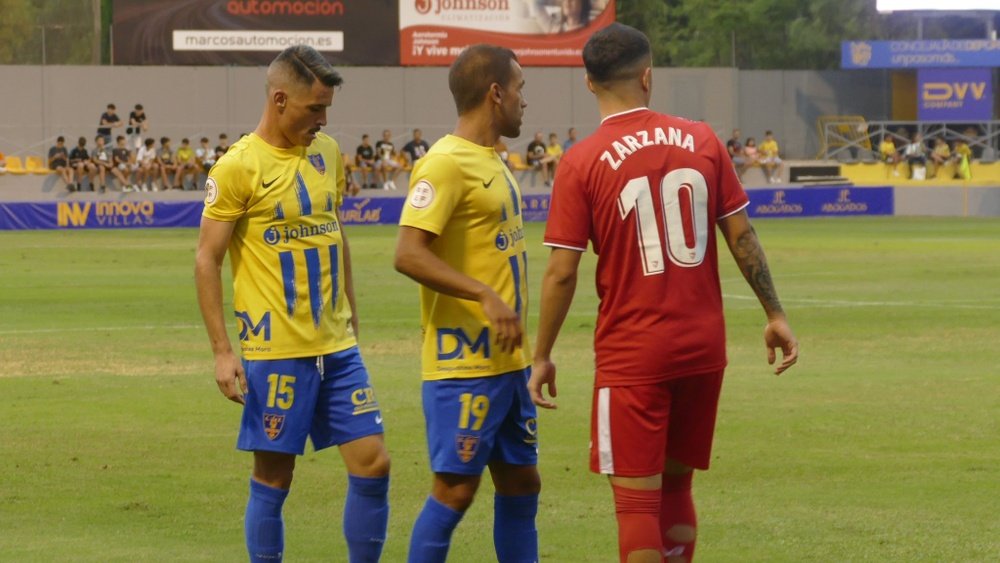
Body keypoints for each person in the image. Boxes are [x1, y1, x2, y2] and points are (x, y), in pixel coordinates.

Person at [527, 23, 799, 563]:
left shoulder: (580, 161)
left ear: (589, 84)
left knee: (635, 507)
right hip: (703, 349)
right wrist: (774, 313)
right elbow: (741, 234)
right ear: (648, 76)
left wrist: (542, 355)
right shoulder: (701, 139)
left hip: (635, 353)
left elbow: (562, 272)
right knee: (677, 491)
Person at [194, 44, 390, 563]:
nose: (323, 119)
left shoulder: (326, 152)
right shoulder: (238, 167)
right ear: (280, 99)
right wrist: (222, 351)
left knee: (374, 463)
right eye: (314, 108)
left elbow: (335, 230)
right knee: (275, 476)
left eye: (327, 108)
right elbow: (206, 259)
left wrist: (351, 306)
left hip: (339, 346)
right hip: (276, 351)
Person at [394, 44, 539, 563]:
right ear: (495, 93)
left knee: (523, 482)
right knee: (455, 489)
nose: (526, 100)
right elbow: (408, 253)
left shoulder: (492, 159)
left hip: (506, 363)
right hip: (464, 366)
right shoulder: (445, 163)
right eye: (520, 88)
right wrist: (484, 294)